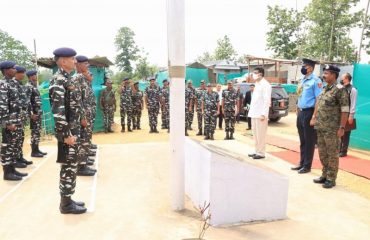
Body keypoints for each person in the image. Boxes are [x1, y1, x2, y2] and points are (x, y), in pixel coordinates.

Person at [49, 47, 87, 214]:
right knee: (68, 167)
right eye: (72, 59)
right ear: (63, 61)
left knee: (71, 166)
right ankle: (65, 204)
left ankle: (68, 199)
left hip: (73, 131)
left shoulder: (67, 79)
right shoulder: (58, 80)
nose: (75, 61)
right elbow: (58, 112)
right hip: (68, 134)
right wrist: (66, 135)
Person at [311, 65, 349, 189]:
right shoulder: (325, 88)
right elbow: (318, 103)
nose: (324, 75)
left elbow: (345, 110)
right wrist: (314, 117)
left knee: (332, 154)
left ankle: (331, 178)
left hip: (333, 129)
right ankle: (324, 175)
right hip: (321, 127)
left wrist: (342, 127)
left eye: (326, 73)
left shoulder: (340, 89)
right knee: (323, 153)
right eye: (324, 73)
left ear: (334, 75)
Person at [291, 58, 322, 174]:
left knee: (309, 140)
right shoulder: (302, 80)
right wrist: (297, 108)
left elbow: (318, 99)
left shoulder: (316, 81)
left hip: (310, 112)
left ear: (311, 68)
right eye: (303, 66)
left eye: (305, 66)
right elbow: (299, 95)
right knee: (302, 139)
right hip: (301, 112)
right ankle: (301, 162)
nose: (303, 68)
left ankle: (307, 165)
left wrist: (314, 116)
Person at [0, 61, 28, 180]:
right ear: (6, 70)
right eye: (12, 68)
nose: (15, 70)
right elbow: (2, 105)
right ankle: (7, 172)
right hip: (9, 122)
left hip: (16, 120)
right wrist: (7, 123)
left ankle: (12, 169)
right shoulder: (3, 84)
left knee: (14, 146)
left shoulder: (12, 83)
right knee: (7, 147)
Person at [73, 55, 96, 176]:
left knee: (86, 139)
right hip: (83, 116)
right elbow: (77, 101)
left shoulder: (83, 78)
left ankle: (84, 161)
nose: (87, 66)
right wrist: (82, 117)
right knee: (83, 140)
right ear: (78, 64)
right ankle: (81, 167)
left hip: (87, 114)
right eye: (85, 64)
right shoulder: (77, 78)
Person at [247, 67, 272, 159]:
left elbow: (267, 100)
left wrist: (264, 114)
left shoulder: (266, 85)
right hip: (254, 113)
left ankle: (261, 153)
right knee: (255, 134)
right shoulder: (257, 84)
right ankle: (256, 151)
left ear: (260, 74)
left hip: (261, 114)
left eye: (255, 73)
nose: (253, 74)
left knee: (261, 135)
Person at [14, 66, 36, 167]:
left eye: (23, 72)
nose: (23, 74)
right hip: (14, 118)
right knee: (13, 140)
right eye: (21, 72)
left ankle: (20, 157)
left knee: (20, 138)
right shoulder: (11, 84)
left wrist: (27, 113)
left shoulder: (20, 85)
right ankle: (15, 161)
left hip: (21, 117)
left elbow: (25, 102)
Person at [25, 70, 47, 157]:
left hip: (38, 113)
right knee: (34, 132)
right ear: (30, 76)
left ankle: (37, 149)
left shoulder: (34, 85)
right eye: (34, 75)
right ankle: (34, 151)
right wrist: (31, 114)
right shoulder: (28, 86)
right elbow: (27, 102)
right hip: (34, 114)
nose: (36, 76)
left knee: (37, 132)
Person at [338, 73, 357, 157]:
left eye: (343, 77)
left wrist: (351, 115)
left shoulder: (353, 90)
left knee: (346, 133)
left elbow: (353, 103)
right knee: (339, 131)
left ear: (346, 79)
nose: (341, 78)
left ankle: (344, 151)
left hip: (347, 113)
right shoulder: (341, 87)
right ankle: (339, 149)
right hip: (339, 113)